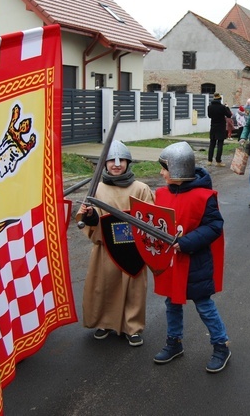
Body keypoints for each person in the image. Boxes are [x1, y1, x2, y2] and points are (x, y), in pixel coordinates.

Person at [152, 142, 231, 373]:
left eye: (164, 168)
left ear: (177, 169)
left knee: (204, 305)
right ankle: (174, 342)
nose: (161, 173)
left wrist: (186, 242)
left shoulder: (204, 196)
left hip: (195, 261)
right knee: (172, 303)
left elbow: (214, 226)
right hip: (171, 262)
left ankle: (221, 345)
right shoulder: (161, 193)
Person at [75, 140, 154, 346]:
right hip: (106, 247)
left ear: (128, 162)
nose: (116, 164)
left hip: (134, 248)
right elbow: (85, 218)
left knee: (134, 289)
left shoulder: (141, 188)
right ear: (105, 164)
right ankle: (105, 322)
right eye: (111, 160)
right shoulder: (97, 189)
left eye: (121, 160)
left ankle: (133, 327)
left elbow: (151, 216)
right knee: (105, 285)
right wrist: (91, 216)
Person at [206, 93, 232, 166]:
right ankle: (218, 161)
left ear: (214, 98)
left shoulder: (209, 107)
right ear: (220, 99)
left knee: (212, 144)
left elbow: (209, 116)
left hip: (213, 126)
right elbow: (229, 115)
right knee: (220, 144)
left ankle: (209, 160)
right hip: (221, 127)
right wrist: (227, 107)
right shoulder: (222, 107)